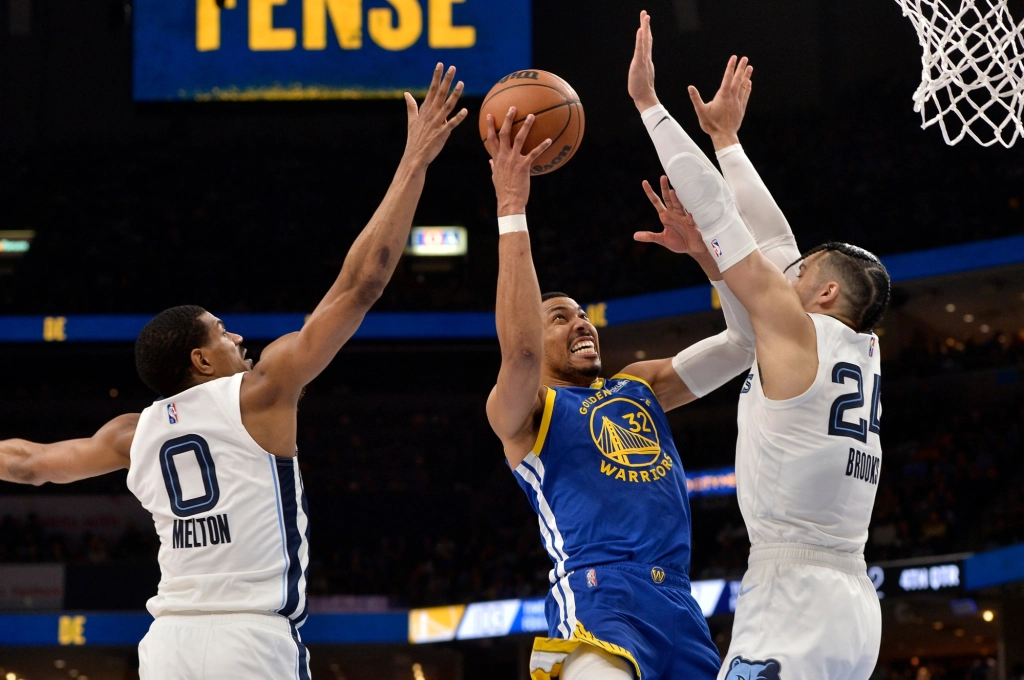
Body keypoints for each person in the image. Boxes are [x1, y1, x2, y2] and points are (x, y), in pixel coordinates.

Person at [0, 64, 468, 680]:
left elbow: (28, 464)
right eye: (222, 332)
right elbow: (361, 284)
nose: (238, 337)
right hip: (250, 639)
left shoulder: (131, 433)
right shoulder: (261, 391)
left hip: (167, 645)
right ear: (199, 360)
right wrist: (414, 161)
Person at [630, 11, 888, 679]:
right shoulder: (851, 349)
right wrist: (726, 139)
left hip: (793, 597)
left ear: (824, 293)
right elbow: (774, 247)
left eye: (802, 274)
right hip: (852, 603)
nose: (786, 274)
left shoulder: (797, 328)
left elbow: (723, 217)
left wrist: (650, 106)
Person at [482, 95, 763, 677]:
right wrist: (512, 207)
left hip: (679, 605)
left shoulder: (638, 386)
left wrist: (709, 258)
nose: (581, 323)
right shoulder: (526, 411)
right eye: (560, 317)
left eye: (583, 315)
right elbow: (522, 352)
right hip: (599, 597)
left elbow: (744, 342)